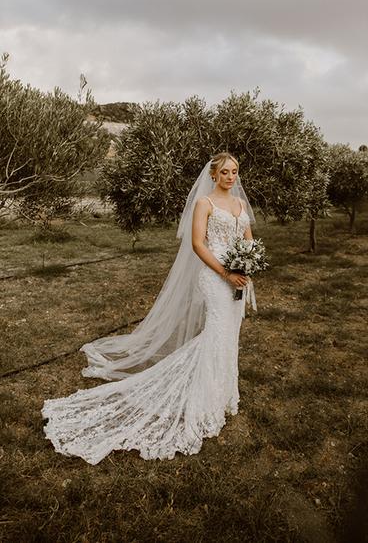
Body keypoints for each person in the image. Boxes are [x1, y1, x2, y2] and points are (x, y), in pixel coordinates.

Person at [41, 153, 256, 464]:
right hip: (215, 277)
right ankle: (205, 400)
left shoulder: (239, 205)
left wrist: (247, 264)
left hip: (238, 277)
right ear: (213, 175)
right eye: (225, 172)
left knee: (228, 337)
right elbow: (198, 244)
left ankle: (223, 395)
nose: (231, 177)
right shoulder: (205, 204)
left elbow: (248, 239)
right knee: (217, 333)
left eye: (235, 171)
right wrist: (226, 272)